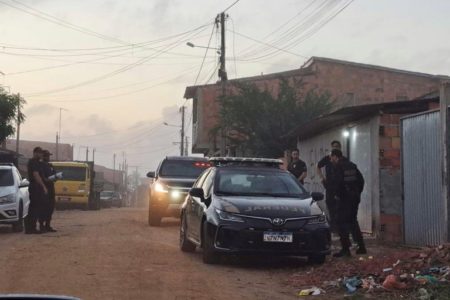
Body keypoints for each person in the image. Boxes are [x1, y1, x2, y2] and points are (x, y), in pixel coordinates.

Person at [330, 149, 366, 257]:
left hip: (344, 200)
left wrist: (337, 196)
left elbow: (338, 183)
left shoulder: (338, 167)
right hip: (354, 199)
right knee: (353, 222)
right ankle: (361, 247)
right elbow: (361, 181)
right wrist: (357, 193)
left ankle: (346, 249)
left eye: (331, 157)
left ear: (335, 157)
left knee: (341, 223)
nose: (331, 160)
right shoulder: (352, 165)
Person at [316, 140, 345, 231]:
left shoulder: (343, 159)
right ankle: (333, 227)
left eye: (337, 146)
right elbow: (318, 166)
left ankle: (339, 226)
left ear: (340, 148)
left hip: (340, 186)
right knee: (330, 205)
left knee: (339, 206)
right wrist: (321, 178)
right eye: (334, 146)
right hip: (329, 185)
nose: (335, 148)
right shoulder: (328, 158)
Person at [25, 147, 48, 234]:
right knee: (34, 207)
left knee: (35, 207)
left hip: (36, 187)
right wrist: (43, 186)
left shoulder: (37, 162)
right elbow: (36, 175)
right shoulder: (33, 162)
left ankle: (31, 228)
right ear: (35, 153)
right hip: (35, 186)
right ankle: (31, 228)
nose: (41, 154)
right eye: (40, 153)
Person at [41, 150, 57, 232]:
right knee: (44, 208)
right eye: (46, 156)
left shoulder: (49, 165)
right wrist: (48, 180)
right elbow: (43, 178)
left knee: (50, 208)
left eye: (48, 156)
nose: (48, 157)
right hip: (44, 189)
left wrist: (55, 175)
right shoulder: (41, 166)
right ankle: (42, 225)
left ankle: (48, 225)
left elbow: (54, 176)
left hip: (51, 189)